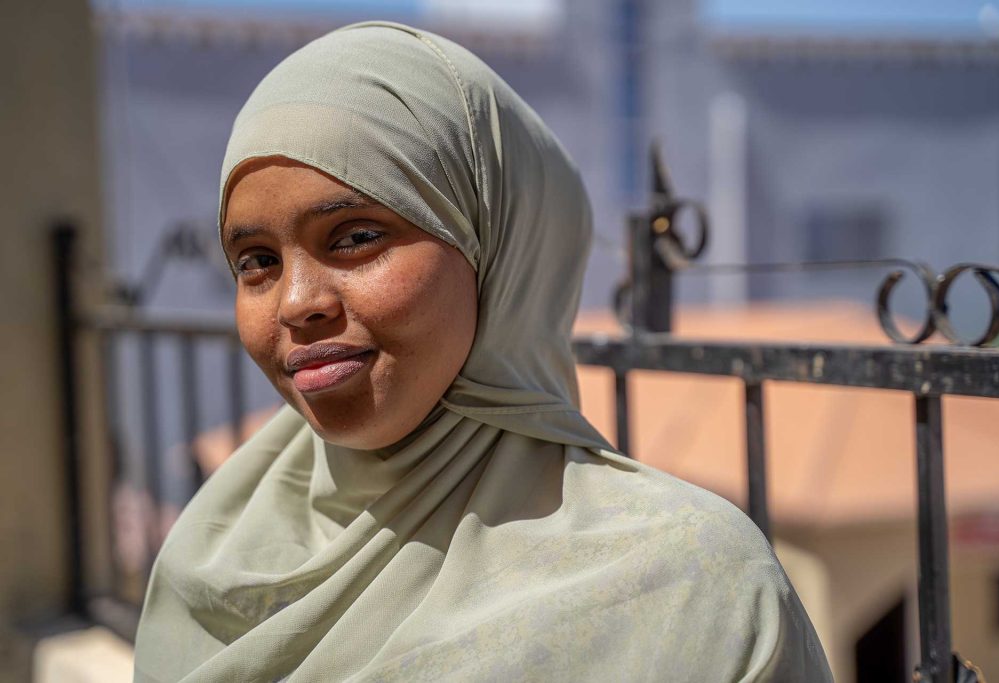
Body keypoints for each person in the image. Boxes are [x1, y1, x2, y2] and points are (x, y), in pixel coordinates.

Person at [134, 22, 833, 682]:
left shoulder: (691, 587)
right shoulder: (212, 556)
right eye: (256, 260)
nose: (295, 301)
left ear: (496, 247)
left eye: (354, 238)